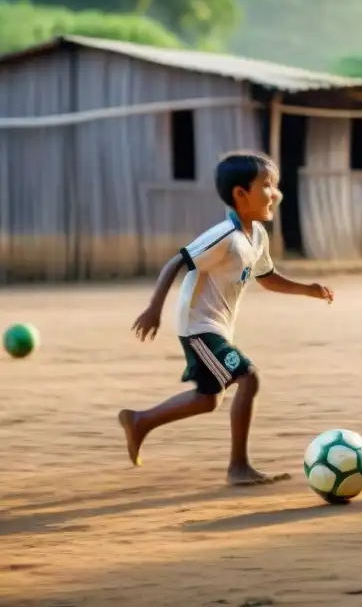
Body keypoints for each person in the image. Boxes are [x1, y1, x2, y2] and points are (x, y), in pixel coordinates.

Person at [119, 151, 334, 485]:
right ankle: (238, 467)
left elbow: (267, 277)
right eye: (267, 185)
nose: (275, 194)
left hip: (217, 327)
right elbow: (176, 262)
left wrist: (308, 290)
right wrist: (153, 308)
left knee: (208, 399)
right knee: (248, 378)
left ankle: (140, 422)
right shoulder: (224, 236)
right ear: (240, 194)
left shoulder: (257, 236)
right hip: (198, 328)